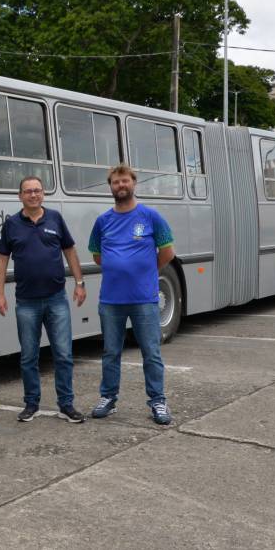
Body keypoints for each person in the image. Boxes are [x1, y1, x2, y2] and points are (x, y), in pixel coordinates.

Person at [0, 175, 86, 423]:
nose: (33, 194)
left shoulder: (55, 218)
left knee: (64, 355)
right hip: (26, 303)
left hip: (57, 299)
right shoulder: (11, 224)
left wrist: (79, 283)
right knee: (28, 357)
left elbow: (70, 251)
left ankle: (66, 405)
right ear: (20, 196)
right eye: (28, 191)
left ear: (43, 194)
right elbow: (2, 259)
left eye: (37, 190)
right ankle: (31, 404)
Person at [88, 164, 175, 425]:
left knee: (151, 352)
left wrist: (146, 271)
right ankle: (108, 398)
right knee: (110, 353)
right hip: (111, 300)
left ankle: (158, 401)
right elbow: (96, 255)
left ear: (134, 183)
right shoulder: (102, 221)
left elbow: (167, 252)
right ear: (111, 187)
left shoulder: (151, 216)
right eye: (116, 182)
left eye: (125, 181)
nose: (121, 185)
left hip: (144, 299)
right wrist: (120, 267)